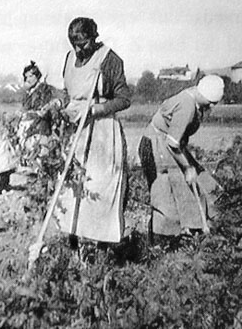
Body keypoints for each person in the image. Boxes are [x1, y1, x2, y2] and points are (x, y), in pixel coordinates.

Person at [53, 17, 131, 245]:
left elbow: (124, 99)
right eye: (74, 44)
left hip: (101, 132)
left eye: (83, 44)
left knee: (97, 187)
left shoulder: (109, 59)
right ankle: (73, 242)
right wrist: (59, 105)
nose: (78, 50)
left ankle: (101, 246)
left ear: (94, 38)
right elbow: (67, 93)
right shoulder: (69, 58)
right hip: (74, 131)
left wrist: (97, 109)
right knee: (72, 186)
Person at [138, 75, 224, 238]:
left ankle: (198, 228)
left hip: (170, 144)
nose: (212, 106)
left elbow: (175, 142)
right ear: (202, 93)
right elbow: (172, 143)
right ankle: (161, 241)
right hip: (155, 145)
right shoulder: (187, 106)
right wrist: (187, 168)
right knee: (165, 192)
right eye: (211, 101)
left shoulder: (194, 98)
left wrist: (191, 168)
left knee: (201, 180)